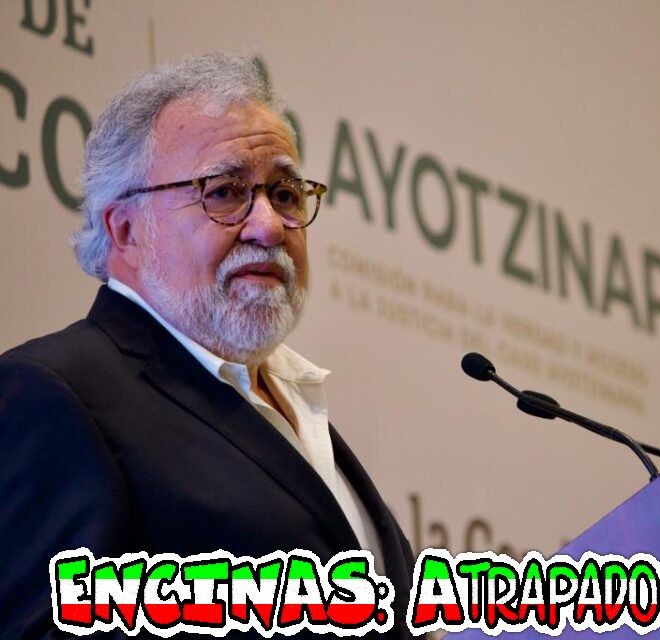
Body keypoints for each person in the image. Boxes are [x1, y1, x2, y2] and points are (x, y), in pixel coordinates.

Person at [0, 52, 414, 638]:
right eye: (223, 192)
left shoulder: (297, 402)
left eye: (286, 194)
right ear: (126, 228)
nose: (269, 226)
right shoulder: (52, 396)